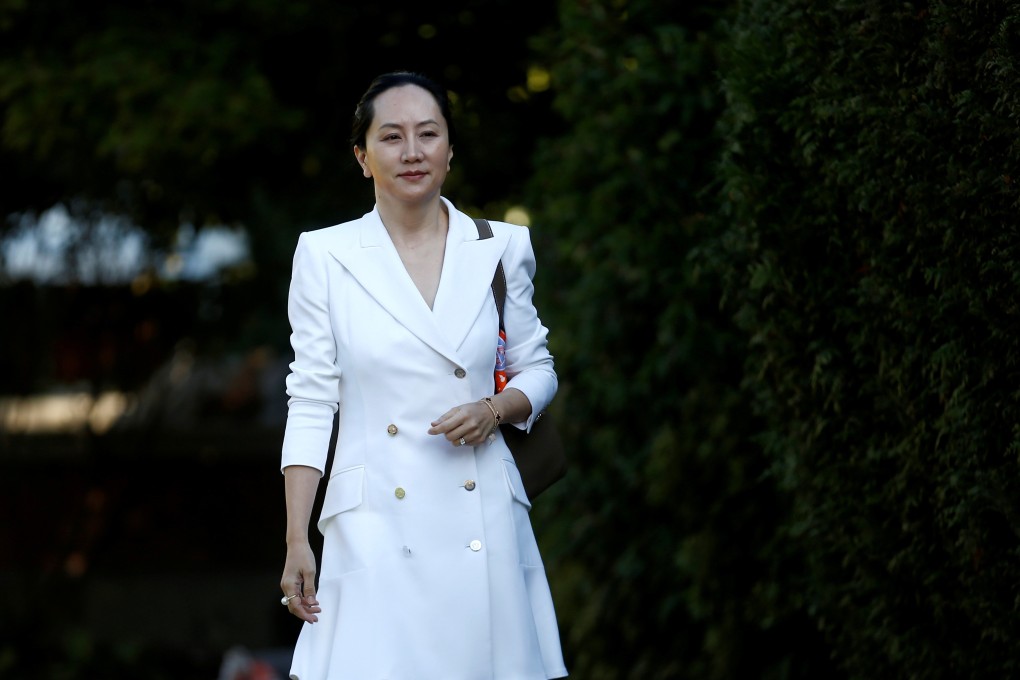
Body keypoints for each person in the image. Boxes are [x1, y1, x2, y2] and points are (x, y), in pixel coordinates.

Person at [278, 71, 568, 680]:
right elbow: (309, 399)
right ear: (363, 157)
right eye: (391, 137)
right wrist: (296, 537)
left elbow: (537, 369)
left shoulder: (500, 246)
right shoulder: (324, 255)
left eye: (428, 134)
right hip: (373, 522)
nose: (412, 152)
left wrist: (493, 410)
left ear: (450, 149)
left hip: (481, 510)